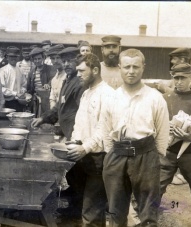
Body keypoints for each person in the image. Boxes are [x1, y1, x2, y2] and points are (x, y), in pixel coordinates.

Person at [101, 49, 169, 227]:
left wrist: (154, 159)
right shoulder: (111, 98)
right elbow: (105, 130)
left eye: (135, 67)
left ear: (143, 68)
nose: (131, 71)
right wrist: (113, 155)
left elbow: (162, 134)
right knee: (115, 211)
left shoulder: (155, 98)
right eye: (127, 67)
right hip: (117, 156)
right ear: (119, 68)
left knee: (148, 213)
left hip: (145, 156)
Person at [66, 53, 113, 227]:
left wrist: (84, 148)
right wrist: (73, 142)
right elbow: (79, 124)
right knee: (82, 206)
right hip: (82, 156)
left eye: (81, 70)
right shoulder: (86, 93)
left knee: (91, 211)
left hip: (98, 159)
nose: (78, 74)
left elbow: (104, 130)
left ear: (95, 70)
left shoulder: (107, 94)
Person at [160, 63, 191, 220]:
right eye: (176, 78)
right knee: (155, 188)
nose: (179, 81)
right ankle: (147, 221)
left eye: (183, 78)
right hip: (167, 153)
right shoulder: (164, 98)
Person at [31, 46, 85, 140]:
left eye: (69, 61)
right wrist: (43, 118)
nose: (66, 64)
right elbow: (60, 105)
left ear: (78, 61)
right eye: (64, 61)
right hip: (67, 131)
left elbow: (82, 114)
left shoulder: (79, 82)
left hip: (76, 134)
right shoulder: (67, 80)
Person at [0, 46, 27, 112]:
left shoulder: (20, 70)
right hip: (7, 102)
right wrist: (15, 93)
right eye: (11, 57)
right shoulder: (2, 70)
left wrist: (22, 92)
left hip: (19, 102)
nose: (13, 58)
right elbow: (1, 88)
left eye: (15, 57)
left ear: (18, 57)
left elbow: (24, 84)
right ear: (7, 57)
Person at [27, 47, 54, 115]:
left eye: (39, 58)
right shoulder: (31, 72)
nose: (37, 61)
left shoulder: (50, 69)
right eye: (35, 59)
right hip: (36, 99)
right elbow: (29, 89)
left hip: (47, 98)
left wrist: (48, 84)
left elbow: (53, 79)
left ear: (43, 58)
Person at [47, 44, 66, 109]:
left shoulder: (68, 76)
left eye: (58, 58)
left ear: (63, 58)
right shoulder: (54, 79)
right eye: (53, 58)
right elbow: (52, 98)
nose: (55, 61)